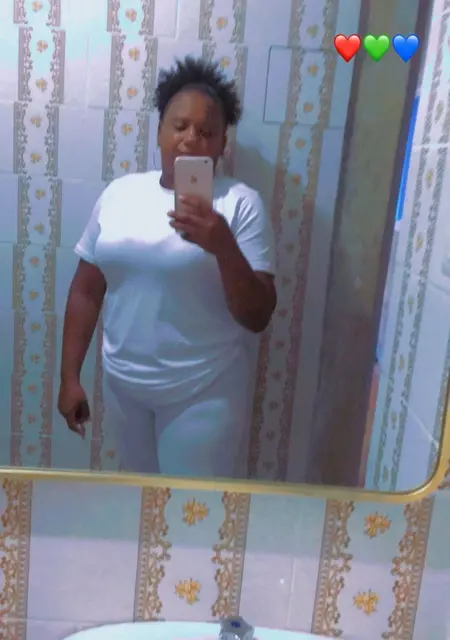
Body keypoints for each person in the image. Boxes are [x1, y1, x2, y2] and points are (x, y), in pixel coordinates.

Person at [58, 56, 277, 478]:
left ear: (222, 145)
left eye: (206, 131)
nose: (191, 138)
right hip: (124, 388)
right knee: (140, 503)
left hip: (204, 390)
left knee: (190, 509)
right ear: (160, 132)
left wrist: (223, 246)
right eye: (180, 126)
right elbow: (86, 290)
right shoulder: (120, 194)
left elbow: (258, 315)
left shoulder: (239, 204)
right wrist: (70, 377)